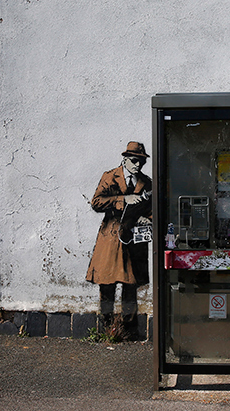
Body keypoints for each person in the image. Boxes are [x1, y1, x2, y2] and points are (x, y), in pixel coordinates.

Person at [86, 141, 152, 336]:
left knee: (130, 285)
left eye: (141, 161)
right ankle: (106, 327)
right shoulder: (110, 177)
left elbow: (154, 207)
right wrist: (123, 200)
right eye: (134, 161)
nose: (138, 165)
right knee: (107, 284)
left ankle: (128, 329)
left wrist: (147, 218)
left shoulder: (146, 182)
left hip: (133, 238)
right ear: (124, 159)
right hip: (111, 237)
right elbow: (96, 202)